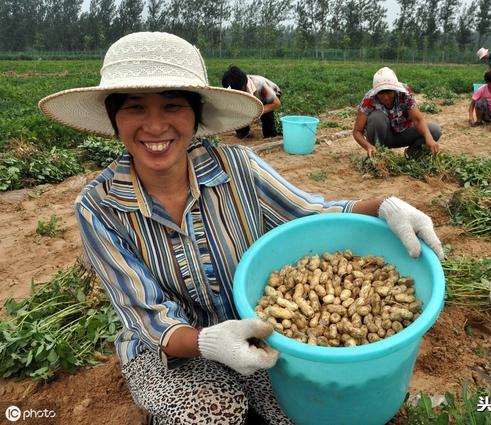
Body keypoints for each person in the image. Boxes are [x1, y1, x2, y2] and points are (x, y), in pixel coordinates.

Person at [38, 32, 445, 425]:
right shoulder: (98, 206)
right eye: (134, 107)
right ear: (114, 119)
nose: (156, 126)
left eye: (172, 106)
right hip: (168, 350)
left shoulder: (238, 167)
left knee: (305, 410)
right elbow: (145, 315)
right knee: (216, 412)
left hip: (260, 329)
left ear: (196, 115)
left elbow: (309, 212)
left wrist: (383, 207)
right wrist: (207, 342)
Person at [352, 66, 442, 160]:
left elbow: (418, 120)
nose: (386, 97)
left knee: (434, 131)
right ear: (376, 92)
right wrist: (368, 146)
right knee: (376, 118)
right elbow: (357, 131)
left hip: (403, 133)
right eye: (381, 93)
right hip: (383, 137)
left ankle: (413, 153)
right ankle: (378, 155)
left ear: (395, 90)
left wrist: (429, 138)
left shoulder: (405, 93)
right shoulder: (368, 100)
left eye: (389, 92)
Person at [222, 65, 282, 139]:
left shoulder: (260, 85)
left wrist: (258, 112)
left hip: (269, 95)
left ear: (243, 86)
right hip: (251, 96)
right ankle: (243, 133)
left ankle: (270, 134)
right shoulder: (232, 87)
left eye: (238, 91)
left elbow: (276, 103)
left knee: (266, 115)